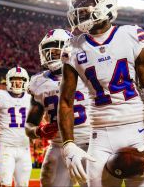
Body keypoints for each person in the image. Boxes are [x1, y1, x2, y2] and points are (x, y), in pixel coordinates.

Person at [58, 0, 144, 186]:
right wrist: (68, 144)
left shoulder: (132, 35)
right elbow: (66, 102)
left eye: (86, 3)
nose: (79, 10)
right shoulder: (72, 47)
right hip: (99, 135)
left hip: (136, 130)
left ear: (106, 3)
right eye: (77, 5)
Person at [25, 29, 90, 187]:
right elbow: (29, 125)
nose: (52, 54)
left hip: (92, 143)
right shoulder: (38, 82)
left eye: (56, 50)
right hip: (58, 145)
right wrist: (38, 131)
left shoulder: (88, 72)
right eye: (49, 50)